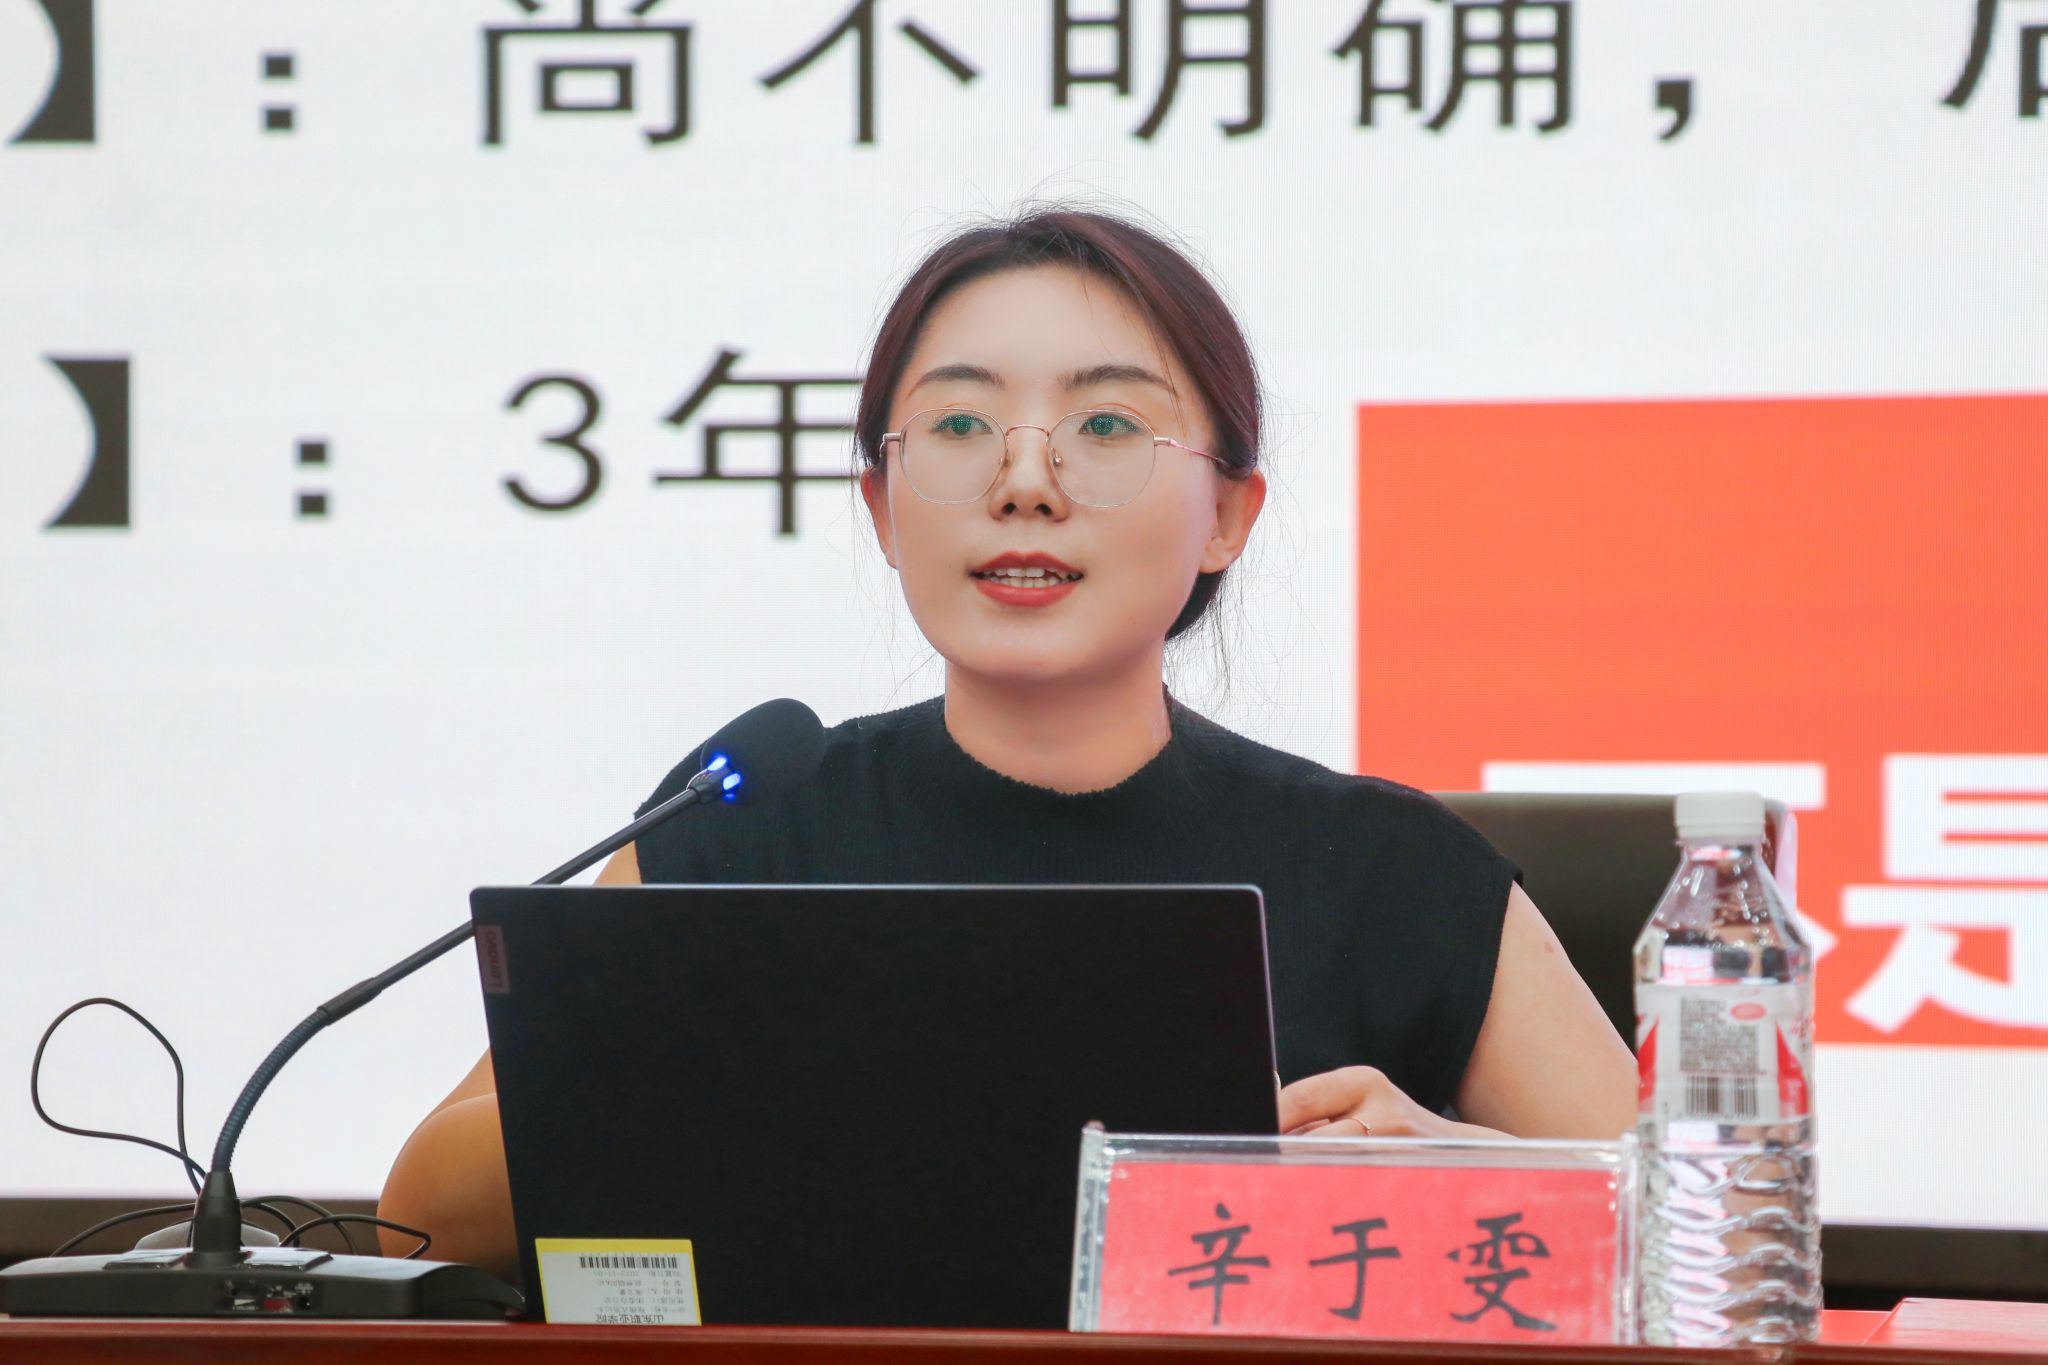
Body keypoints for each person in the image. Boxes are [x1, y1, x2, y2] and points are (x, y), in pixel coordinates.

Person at [378, 206, 1635, 1277]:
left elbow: (1700, 1249)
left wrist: (1466, 1173)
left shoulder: (1386, 872)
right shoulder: (743, 829)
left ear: (1227, 515)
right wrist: (745, 1066)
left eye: (1106, 427)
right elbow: (419, 1223)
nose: (1023, 482)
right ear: (881, 507)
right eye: (960, 425)